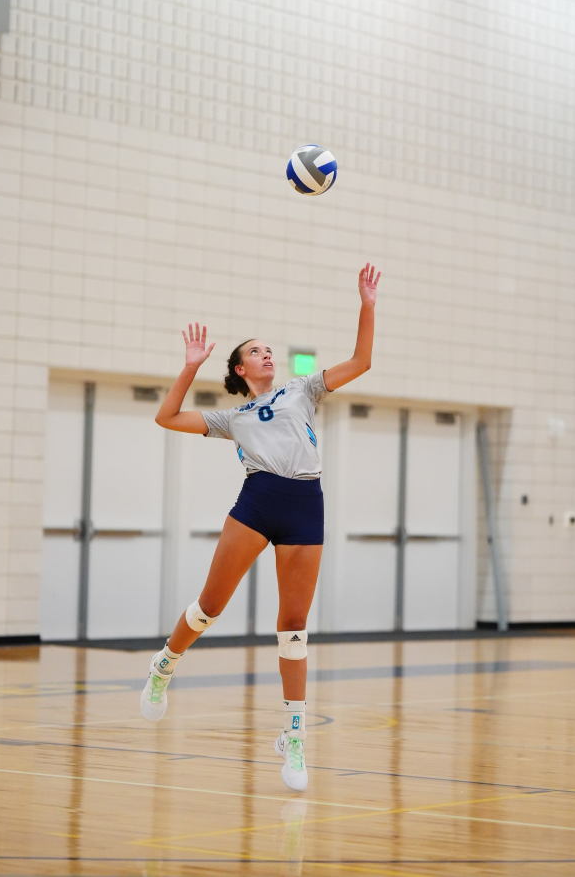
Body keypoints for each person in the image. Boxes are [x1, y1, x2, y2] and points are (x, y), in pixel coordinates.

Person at [140, 263, 381, 791]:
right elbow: (166, 417)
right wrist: (189, 366)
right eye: (256, 351)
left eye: (268, 349)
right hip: (257, 502)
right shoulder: (232, 419)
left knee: (293, 629)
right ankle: (164, 664)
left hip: (304, 505)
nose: (266, 354)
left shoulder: (302, 389)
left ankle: (294, 737)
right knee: (209, 606)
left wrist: (366, 303)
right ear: (240, 369)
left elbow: (362, 361)